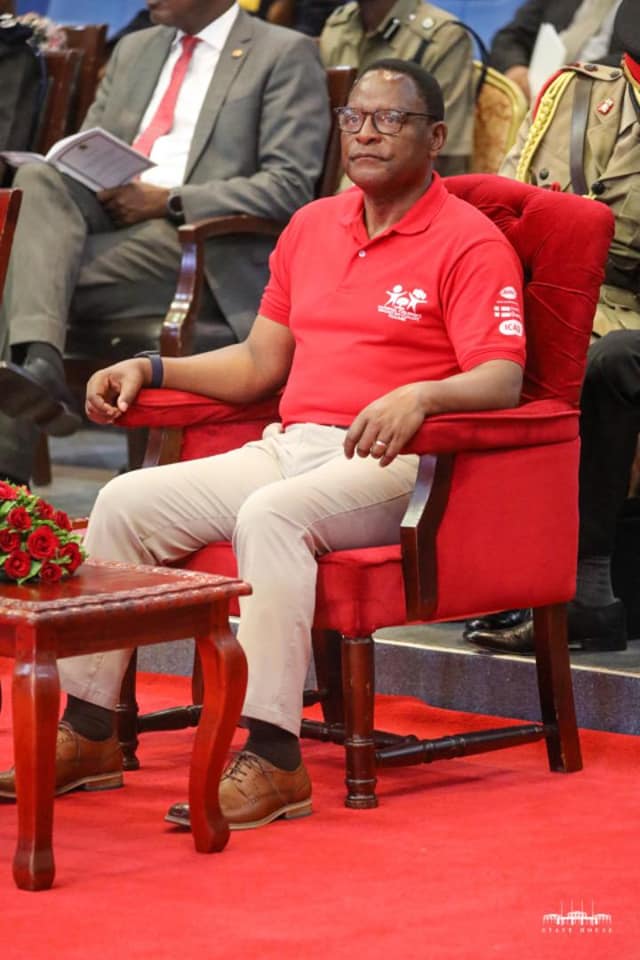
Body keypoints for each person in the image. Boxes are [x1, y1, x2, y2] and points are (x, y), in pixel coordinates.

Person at [0, 60, 526, 828]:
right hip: (291, 444)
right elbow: (257, 366)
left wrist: (422, 395)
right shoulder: (313, 226)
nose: (367, 133)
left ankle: (276, 757)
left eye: (390, 119)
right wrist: (152, 368)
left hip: (397, 462)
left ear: (436, 136)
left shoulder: (469, 242)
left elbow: (503, 378)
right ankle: (90, 732)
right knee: (123, 502)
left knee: (272, 516)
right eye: (354, 118)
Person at [0, 0, 330, 487]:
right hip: (107, 225)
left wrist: (169, 200)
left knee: (16, 272)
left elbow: (288, 185)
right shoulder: (135, 48)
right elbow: (85, 154)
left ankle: (8, 471)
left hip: (197, 242)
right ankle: (40, 364)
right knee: (37, 177)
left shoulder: (283, 52)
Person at [466, 0, 638, 653]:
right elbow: (509, 207)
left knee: (609, 359)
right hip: (570, 298)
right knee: (487, 338)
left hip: (622, 321)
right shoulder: (577, 95)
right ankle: (473, 571)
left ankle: (584, 591)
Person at [319, 0, 475, 176]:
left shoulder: (441, 37)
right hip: (338, 177)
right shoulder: (338, 25)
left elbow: (440, 155)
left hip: (399, 185)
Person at [489, 0, 624, 102]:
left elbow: (627, 62)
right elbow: (510, 36)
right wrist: (515, 68)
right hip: (533, 91)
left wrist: (570, 79)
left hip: (595, 99)